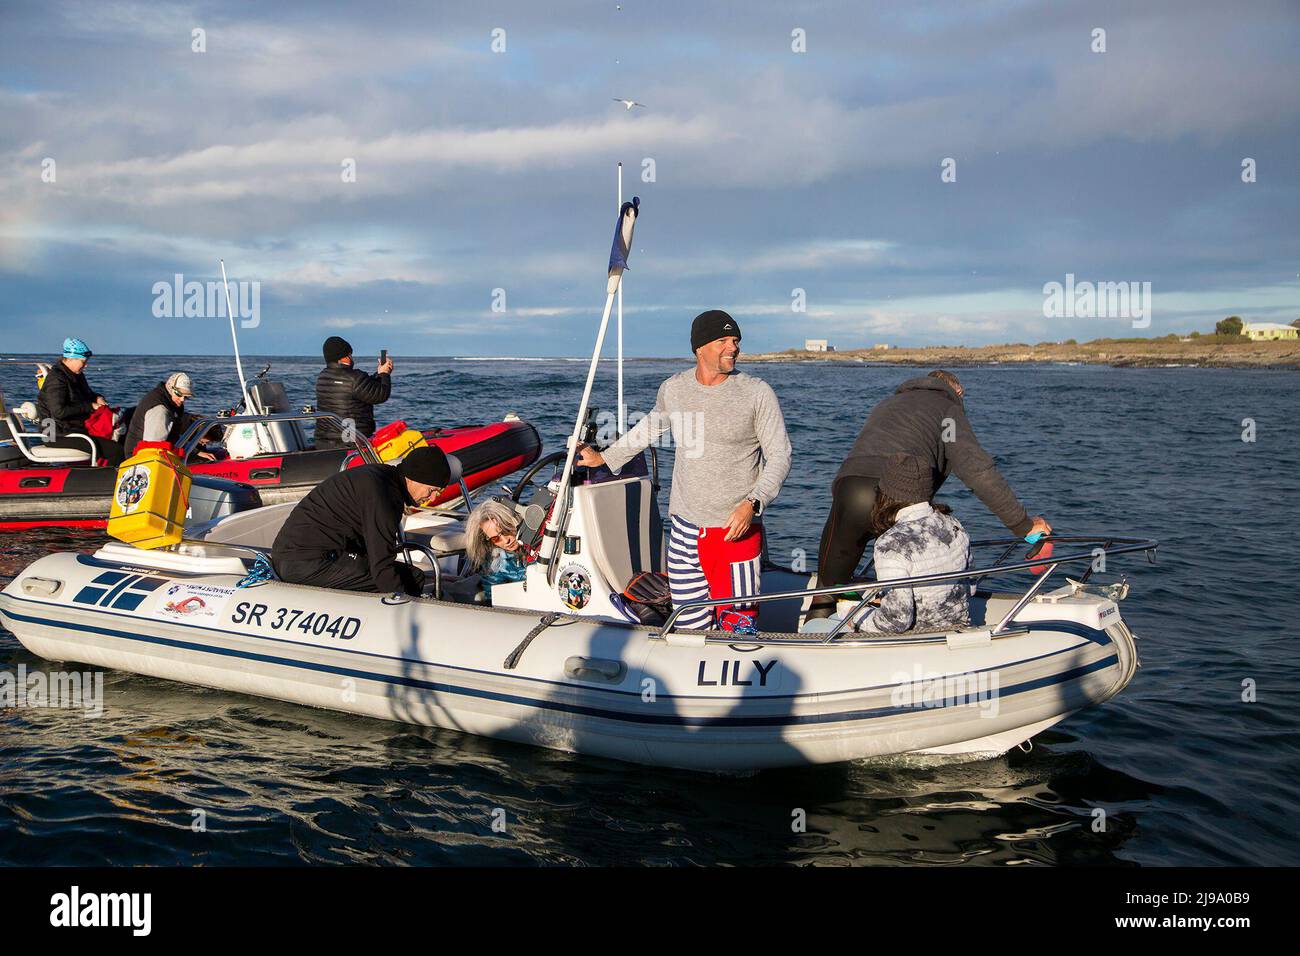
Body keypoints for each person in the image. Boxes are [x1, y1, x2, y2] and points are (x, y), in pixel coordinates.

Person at [577, 310, 792, 632]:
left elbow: (780, 454)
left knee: (738, 625)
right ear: (700, 348)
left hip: (733, 529)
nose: (732, 347)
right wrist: (606, 458)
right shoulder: (674, 388)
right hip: (684, 529)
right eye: (723, 341)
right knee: (688, 625)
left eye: (735, 341)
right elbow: (651, 426)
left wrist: (753, 503)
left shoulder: (756, 392)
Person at [809, 369, 1050, 620]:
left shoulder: (888, 403)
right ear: (956, 391)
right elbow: (977, 471)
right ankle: (905, 631)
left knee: (831, 585)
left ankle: (812, 641)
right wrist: (1023, 524)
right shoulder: (948, 410)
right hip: (898, 498)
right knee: (911, 583)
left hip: (850, 491)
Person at [271, 446, 451, 595]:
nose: (433, 498)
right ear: (413, 478)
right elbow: (381, 566)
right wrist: (404, 603)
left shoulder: (380, 477)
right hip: (305, 563)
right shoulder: (384, 497)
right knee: (411, 578)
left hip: (298, 556)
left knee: (409, 575)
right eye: (432, 490)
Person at [851, 455, 971, 634]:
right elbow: (971, 587)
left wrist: (856, 616)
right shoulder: (954, 525)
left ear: (885, 493)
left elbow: (897, 622)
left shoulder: (890, 544)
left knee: (821, 625)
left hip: (917, 642)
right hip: (957, 630)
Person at [34, 337, 125, 467]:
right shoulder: (57, 379)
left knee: (120, 439)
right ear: (70, 359)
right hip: (55, 434)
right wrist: (90, 406)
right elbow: (59, 412)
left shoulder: (76, 375)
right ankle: (107, 482)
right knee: (116, 451)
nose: (86, 365)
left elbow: (88, 394)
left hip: (74, 429)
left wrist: (97, 398)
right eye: (83, 361)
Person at [314, 335, 393, 448]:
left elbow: (363, 387)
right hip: (350, 443)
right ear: (343, 357)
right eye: (349, 354)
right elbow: (381, 395)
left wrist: (379, 374)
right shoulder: (355, 378)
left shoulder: (323, 377)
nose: (351, 357)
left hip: (324, 442)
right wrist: (385, 374)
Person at [122, 372, 216, 460]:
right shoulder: (160, 410)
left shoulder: (172, 403)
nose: (182, 399)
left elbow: (173, 437)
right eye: (179, 394)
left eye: (186, 396)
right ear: (171, 389)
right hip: (139, 457)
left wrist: (196, 452)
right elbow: (153, 447)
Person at [465, 498, 529, 601]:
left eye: (507, 530)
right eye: (496, 538)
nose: (505, 540)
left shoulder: (540, 545)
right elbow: (492, 594)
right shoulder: (496, 562)